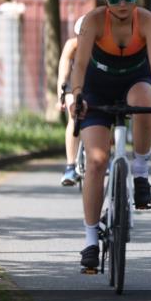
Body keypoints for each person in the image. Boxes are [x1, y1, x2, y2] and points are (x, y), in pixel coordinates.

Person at [65, 0, 151, 271]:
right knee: (97, 161)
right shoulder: (94, 22)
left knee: (146, 99)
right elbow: (80, 64)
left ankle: (140, 172)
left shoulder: (148, 22)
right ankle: (89, 241)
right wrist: (77, 95)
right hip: (97, 90)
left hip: (135, 82)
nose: (123, 4)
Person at [57, 15, 86, 186]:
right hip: (72, 84)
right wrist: (61, 93)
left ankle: (107, 156)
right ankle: (70, 165)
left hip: (94, 84)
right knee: (73, 114)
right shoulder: (71, 46)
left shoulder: (102, 46)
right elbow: (63, 70)